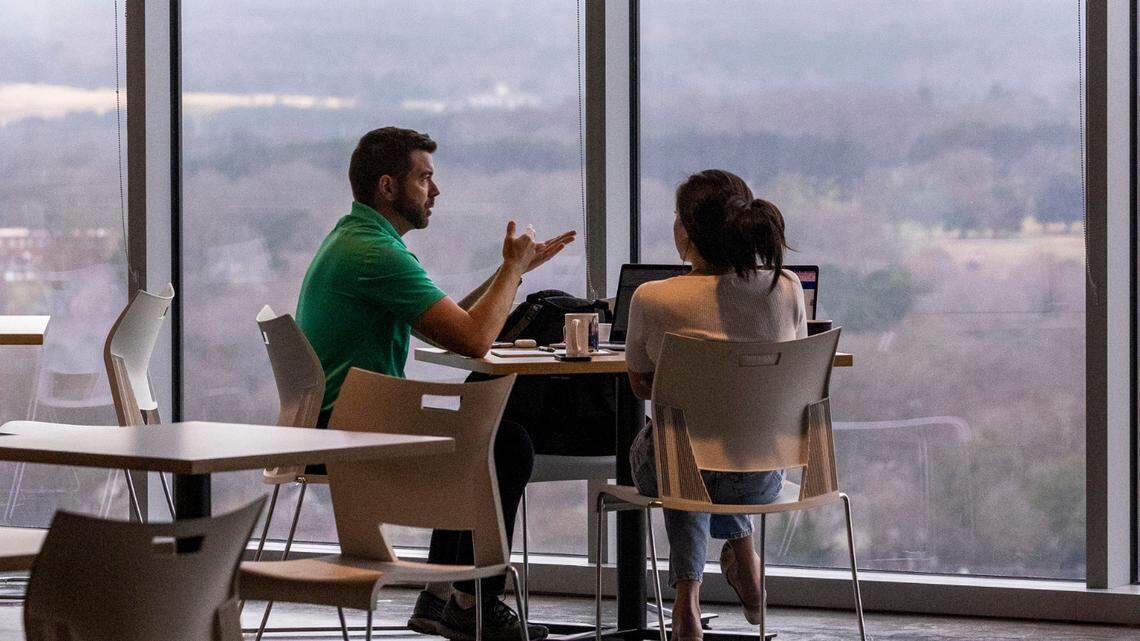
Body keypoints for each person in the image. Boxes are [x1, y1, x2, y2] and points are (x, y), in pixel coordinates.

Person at [295, 127, 575, 641]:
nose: (436, 191)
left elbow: (450, 322)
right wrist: (511, 272)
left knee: (484, 428)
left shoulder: (358, 240)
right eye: (425, 178)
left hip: (337, 426)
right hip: (348, 438)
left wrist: (510, 274)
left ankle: (443, 596)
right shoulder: (376, 254)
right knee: (505, 443)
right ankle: (473, 603)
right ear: (387, 186)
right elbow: (472, 339)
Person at [624, 169, 806, 641]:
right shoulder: (784, 287)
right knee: (710, 447)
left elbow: (642, 387)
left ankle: (686, 599)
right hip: (762, 476)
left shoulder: (652, 296)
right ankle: (743, 554)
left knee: (676, 443)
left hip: (676, 472)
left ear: (685, 228)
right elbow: (794, 380)